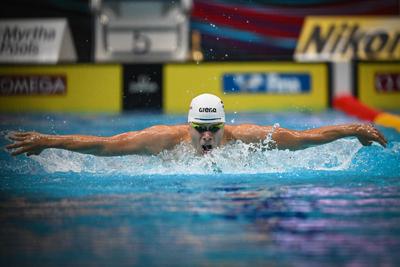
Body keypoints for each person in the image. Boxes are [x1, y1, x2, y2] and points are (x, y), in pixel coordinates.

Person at [6, 93, 387, 157]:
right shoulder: (160, 139)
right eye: (200, 130)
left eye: (214, 130)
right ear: (187, 126)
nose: (206, 137)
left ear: (225, 125)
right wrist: (47, 140)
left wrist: (353, 129)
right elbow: (105, 144)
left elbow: (304, 138)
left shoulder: (248, 138)